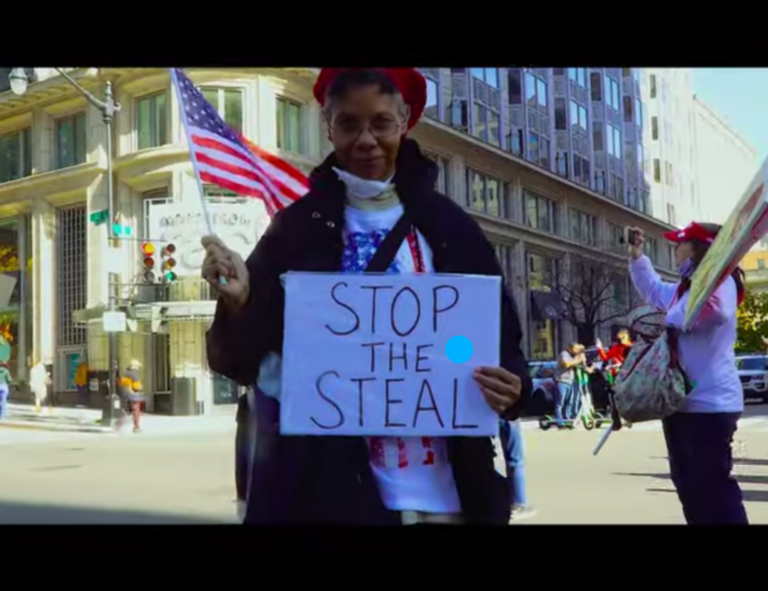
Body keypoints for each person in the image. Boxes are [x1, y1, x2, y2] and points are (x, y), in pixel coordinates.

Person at [202, 67, 531, 525]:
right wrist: (239, 303)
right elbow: (242, 362)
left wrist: (513, 386)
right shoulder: (295, 230)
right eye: (349, 124)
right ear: (328, 126)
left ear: (405, 121)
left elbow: (500, 338)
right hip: (328, 497)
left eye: (381, 123)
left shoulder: (450, 226)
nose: (366, 140)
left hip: (447, 496)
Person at [627, 221, 748, 524]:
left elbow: (715, 310)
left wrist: (669, 319)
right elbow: (654, 290)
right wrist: (637, 257)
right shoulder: (687, 288)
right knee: (691, 491)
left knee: (715, 492)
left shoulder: (721, 283)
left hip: (709, 405)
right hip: (681, 403)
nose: (675, 249)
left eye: (681, 243)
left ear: (698, 249)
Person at [499, 418, 536, 521]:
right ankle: (518, 504)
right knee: (516, 460)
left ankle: (508, 500)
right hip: (509, 417)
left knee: (505, 458)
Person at [553, 343, 584, 428]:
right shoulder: (564, 354)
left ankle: (567, 419)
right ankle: (560, 422)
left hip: (570, 381)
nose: (576, 351)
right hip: (561, 381)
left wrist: (581, 359)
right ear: (570, 348)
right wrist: (577, 360)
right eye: (575, 349)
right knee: (560, 402)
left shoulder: (573, 357)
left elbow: (580, 365)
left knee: (569, 402)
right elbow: (566, 364)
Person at [118, 359, 144, 433]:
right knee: (136, 411)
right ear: (134, 366)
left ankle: (119, 425)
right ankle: (136, 427)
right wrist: (140, 387)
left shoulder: (126, 372)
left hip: (126, 393)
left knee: (127, 410)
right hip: (133, 394)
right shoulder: (134, 374)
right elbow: (136, 386)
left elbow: (122, 383)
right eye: (138, 366)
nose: (138, 368)